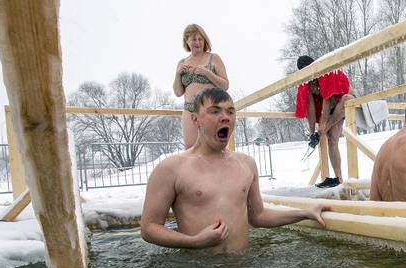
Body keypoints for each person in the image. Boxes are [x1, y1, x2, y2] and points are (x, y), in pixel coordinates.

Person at [141, 88, 331, 253]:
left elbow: (258, 216)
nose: (225, 117)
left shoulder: (246, 164)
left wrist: (305, 213)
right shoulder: (172, 168)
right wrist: (193, 242)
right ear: (195, 119)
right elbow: (149, 228)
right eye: (214, 111)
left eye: (230, 112)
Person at [294, 55, 354, 188]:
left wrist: (323, 127)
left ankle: (339, 178)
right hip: (332, 109)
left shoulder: (325, 72)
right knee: (332, 140)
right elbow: (310, 108)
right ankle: (339, 178)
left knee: (347, 98)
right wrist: (312, 132)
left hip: (343, 102)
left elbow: (327, 101)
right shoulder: (307, 84)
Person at [173, 24, 229, 149]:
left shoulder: (213, 58)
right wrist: (178, 74)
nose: (197, 42)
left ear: (204, 40)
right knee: (190, 150)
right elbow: (178, 92)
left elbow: (225, 85)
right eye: (193, 39)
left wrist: (207, 73)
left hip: (211, 110)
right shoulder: (182, 62)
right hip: (189, 111)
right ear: (187, 41)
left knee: (216, 148)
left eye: (200, 39)